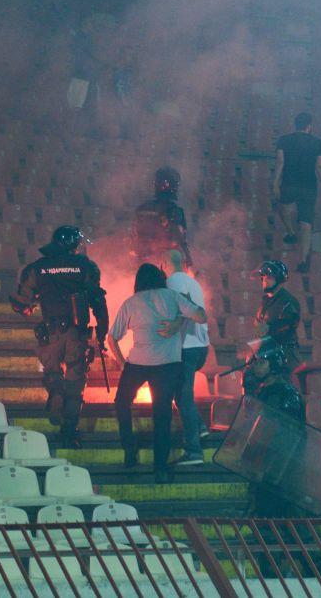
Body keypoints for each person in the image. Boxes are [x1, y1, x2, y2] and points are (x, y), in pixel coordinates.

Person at [10, 226, 108, 449]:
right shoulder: (86, 267)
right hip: (76, 334)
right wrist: (102, 334)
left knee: (53, 371)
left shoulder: (37, 268)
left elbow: (22, 303)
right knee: (75, 381)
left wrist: (29, 304)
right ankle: (69, 431)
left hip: (50, 332)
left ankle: (55, 394)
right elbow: (99, 303)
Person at [107, 263, 207, 483]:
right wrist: (179, 320)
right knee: (162, 415)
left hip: (137, 364)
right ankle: (160, 468)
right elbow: (201, 316)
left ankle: (129, 448)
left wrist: (122, 362)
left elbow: (111, 338)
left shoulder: (131, 302)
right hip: (167, 365)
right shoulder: (172, 296)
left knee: (121, 402)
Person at [242, 343, 305, 518]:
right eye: (256, 362)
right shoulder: (266, 390)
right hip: (267, 460)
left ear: (274, 366)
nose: (256, 366)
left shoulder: (284, 393)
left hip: (279, 463)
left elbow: (284, 432)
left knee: (275, 507)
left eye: (262, 362)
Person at [164, 249, 209, 466]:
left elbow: (185, 306)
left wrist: (173, 326)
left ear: (165, 265)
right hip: (200, 346)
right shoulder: (193, 282)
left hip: (186, 347)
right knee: (180, 394)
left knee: (182, 396)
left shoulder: (173, 281)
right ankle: (199, 427)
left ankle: (194, 452)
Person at [273, 112, 321, 272]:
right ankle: (303, 260)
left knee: (281, 206)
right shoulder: (318, 143)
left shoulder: (284, 140)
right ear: (309, 126)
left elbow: (280, 162)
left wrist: (275, 183)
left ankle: (291, 232)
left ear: (295, 125)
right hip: (309, 185)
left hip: (289, 183)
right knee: (306, 223)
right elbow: (320, 166)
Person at [132, 167, 193, 267]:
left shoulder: (141, 209)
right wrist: (188, 257)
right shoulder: (174, 210)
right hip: (165, 261)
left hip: (141, 259)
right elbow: (179, 236)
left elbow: (134, 235)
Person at [254, 260, 301, 374]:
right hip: (267, 352)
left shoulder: (288, 301)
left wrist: (268, 329)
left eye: (269, 276)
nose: (264, 279)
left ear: (279, 279)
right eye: (263, 276)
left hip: (285, 354)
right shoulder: (265, 301)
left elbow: (289, 325)